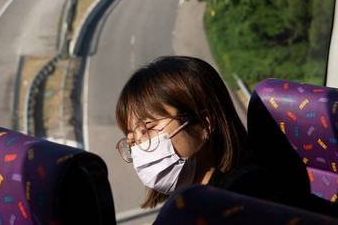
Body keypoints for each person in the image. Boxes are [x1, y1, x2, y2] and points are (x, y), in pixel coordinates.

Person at [114, 56, 312, 209]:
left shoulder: (246, 198)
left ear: (204, 124)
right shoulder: (188, 203)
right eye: (132, 140)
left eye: (147, 128)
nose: (139, 147)